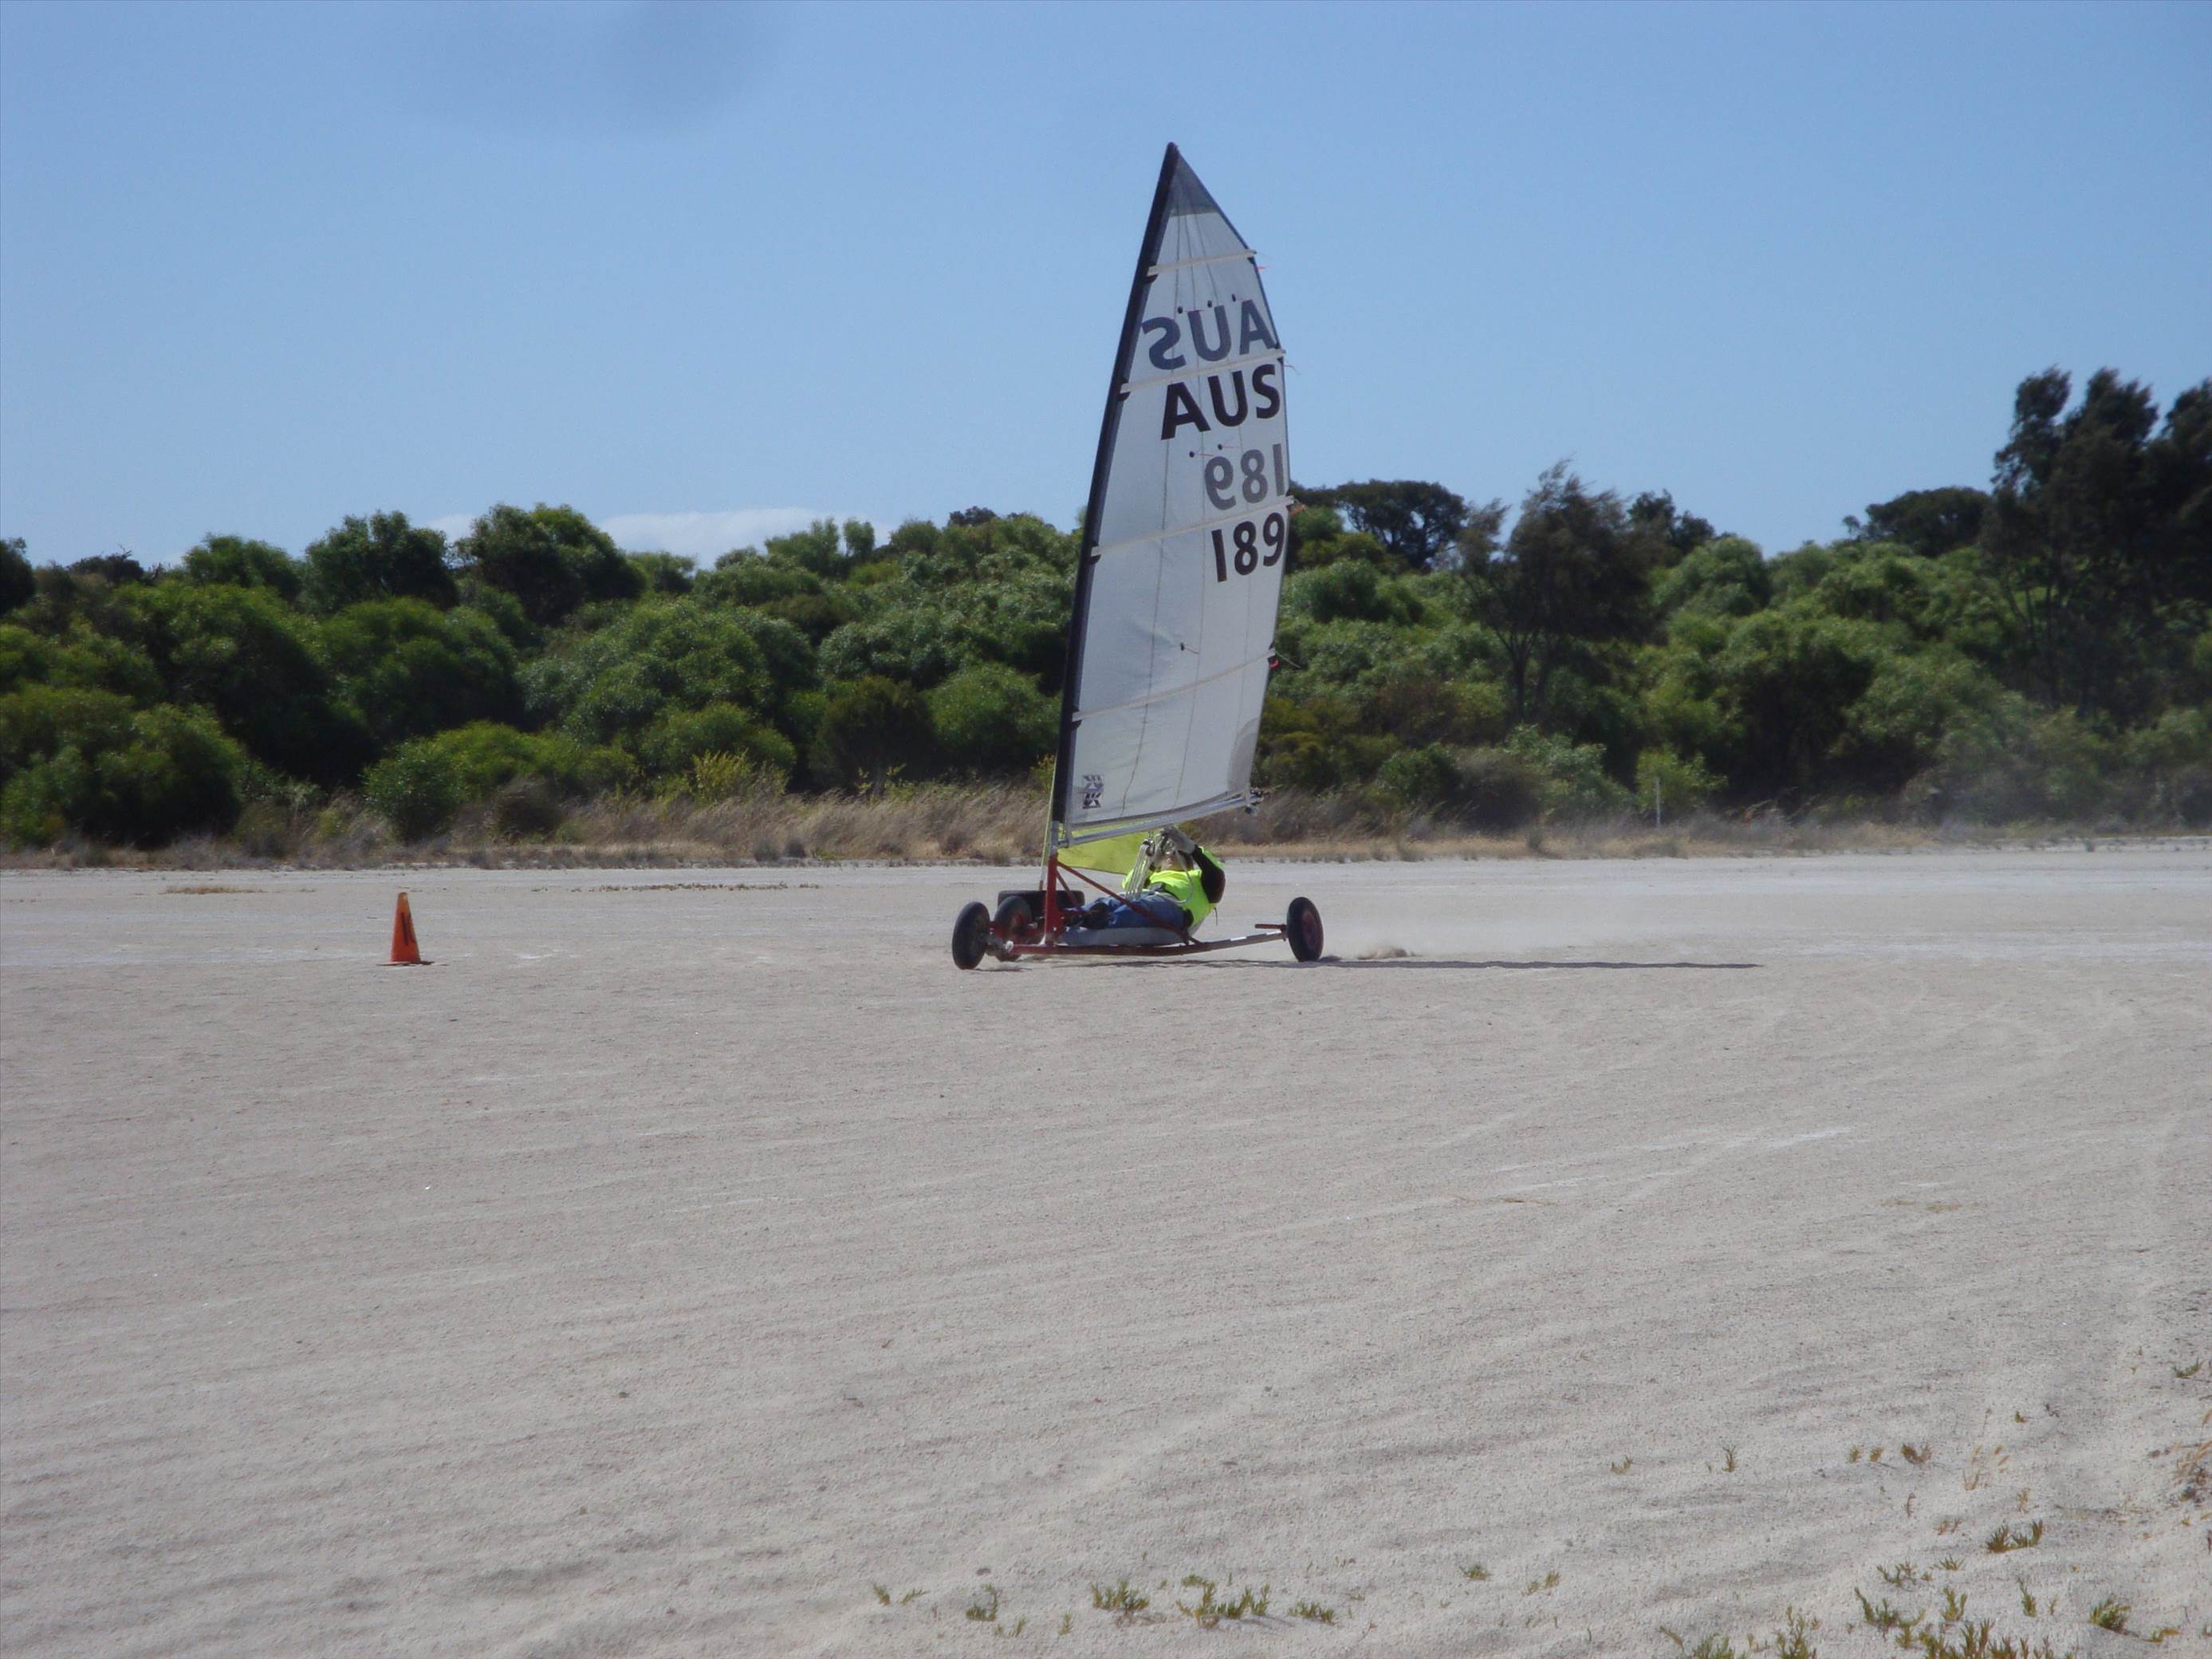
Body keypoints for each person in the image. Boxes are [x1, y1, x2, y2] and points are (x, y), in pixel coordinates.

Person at [1065, 827, 1225, 934]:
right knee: (1108, 902)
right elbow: (1130, 884)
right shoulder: (1152, 876)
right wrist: (1151, 863)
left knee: (1139, 908)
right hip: (1141, 897)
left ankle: (1098, 921)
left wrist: (1193, 849)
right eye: (1167, 854)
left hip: (1174, 908)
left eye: (1178, 854)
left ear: (1188, 863)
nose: (1171, 855)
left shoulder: (1199, 879)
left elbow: (1216, 873)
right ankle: (1066, 916)